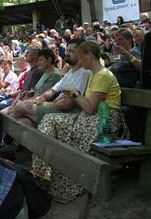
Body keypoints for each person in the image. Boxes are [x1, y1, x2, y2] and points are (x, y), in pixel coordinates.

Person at [31, 41, 129, 203]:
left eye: (82, 58)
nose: (80, 62)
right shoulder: (95, 75)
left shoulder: (103, 75)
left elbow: (90, 108)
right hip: (91, 119)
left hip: (103, 122)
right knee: (49, 120)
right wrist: (70, 94)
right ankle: (42, 173)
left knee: (51, 122)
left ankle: (44, 176)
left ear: (90, 55)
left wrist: (74, 93)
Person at [10, 40, 90, 127]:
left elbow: (67, 105)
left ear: (81, 54)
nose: (66, 53)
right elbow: (52, 90)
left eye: (71, 51)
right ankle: (5, 138)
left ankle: (1, 135)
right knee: (24, 121)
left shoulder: (84, 73)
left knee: (19, 106)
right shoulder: (71, 72)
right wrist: (42, 97)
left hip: (65, 114)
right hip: (54, 108)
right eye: (67, 50)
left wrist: (44, 103)